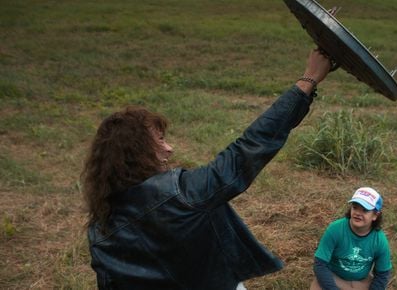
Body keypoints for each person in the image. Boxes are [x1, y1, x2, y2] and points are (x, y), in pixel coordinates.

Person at [81, 48, 332, 289]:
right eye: (159, 141)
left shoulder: (99, 232)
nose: (169, 149)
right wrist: (307, 81)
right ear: (135, 154)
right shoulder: (181, 194)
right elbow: (249, 148)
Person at [311, 187, 393, 290]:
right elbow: (320, 264)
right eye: (355, 207)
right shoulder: (335, 229)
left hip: (362, 281)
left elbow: (382, 274)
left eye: (365, 210)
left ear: (375, 215)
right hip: (334, 277)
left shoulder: (380, 240)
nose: (358, 213)